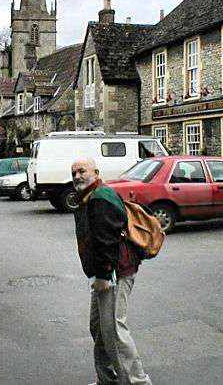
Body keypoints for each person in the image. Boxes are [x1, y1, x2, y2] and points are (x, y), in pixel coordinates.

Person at [71, 157, 152, 385]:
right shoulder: (89, 196)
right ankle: (108, 379)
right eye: (74, 172)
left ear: (96, 172)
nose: (77, 176)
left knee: (114, 331)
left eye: (82, 171)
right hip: (102, 274)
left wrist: (104, 276)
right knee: (98, 328)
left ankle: (138, 382)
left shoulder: (100, 197)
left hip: (114, 273)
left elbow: (107, 240)